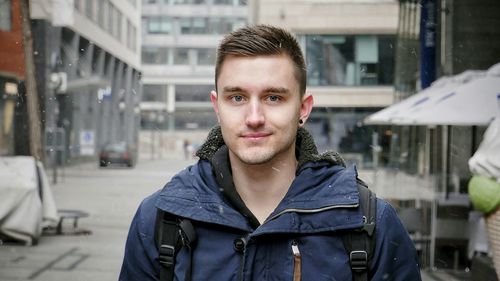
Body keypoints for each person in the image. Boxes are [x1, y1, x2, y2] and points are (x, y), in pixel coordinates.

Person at [119, 25, 421, 280]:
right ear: (217, 106)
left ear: (303, 109)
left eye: (273, 97)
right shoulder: (160, 220)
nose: (254, 117)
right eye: (237, 97)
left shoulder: (371, 223)